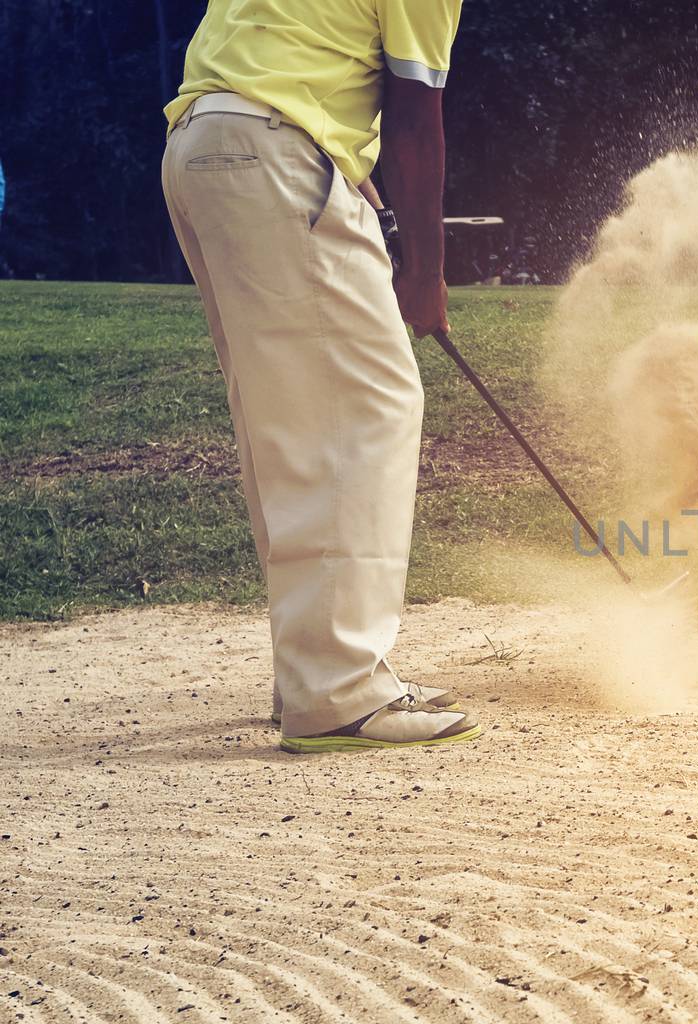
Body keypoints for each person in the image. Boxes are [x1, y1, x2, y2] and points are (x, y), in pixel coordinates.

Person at [161, 1, 478, 753]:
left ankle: (310, 675)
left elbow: (294, 56)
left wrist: (344, 162)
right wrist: (427, 276)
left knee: (284, 413)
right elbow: (413, 117)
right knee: (367, 407)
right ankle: (336, 689)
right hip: (273, 151)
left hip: (202, 143)